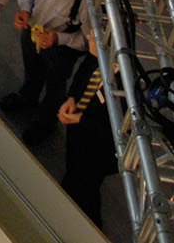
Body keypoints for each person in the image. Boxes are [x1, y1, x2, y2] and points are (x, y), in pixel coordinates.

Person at [0, 0, 90, 141]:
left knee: (55, 88)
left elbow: (89, 41)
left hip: (61, 50)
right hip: (32, 32)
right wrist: (25, 10)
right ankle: (27, 98)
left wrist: (58, 38)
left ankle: (46, 122)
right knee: (32, 72)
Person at [54, 31, 118, 227]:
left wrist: (81, 119)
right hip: (79, 135)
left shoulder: (126, 86)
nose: (88, 38)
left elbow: (115, 134)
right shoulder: (96, 57)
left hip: (98, 152)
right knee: (74, 174)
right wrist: (72, 98)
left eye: (93, 36)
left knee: (87, 189)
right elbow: (82, 76)